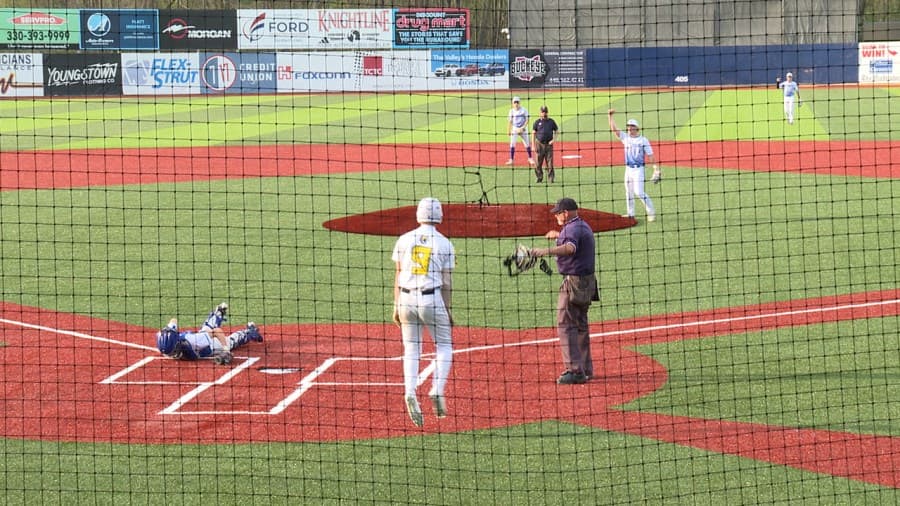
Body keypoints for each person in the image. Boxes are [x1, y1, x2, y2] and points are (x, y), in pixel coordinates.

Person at [392, 197, 456, 427]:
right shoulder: (445, 243)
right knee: (445, 345)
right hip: (432, 298)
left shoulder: (404, 239)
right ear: (439, 215)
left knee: (411, 348)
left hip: (406, 298)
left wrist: (396, 305)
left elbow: (398, 274)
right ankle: (437, 388)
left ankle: (410, 391)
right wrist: (447, 311)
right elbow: (447, 283)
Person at [534, 198, 599, 385]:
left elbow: (570, 248)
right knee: (580, 324)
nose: (556, 215)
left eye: (558, 212)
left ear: (566, 212)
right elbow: (573, 240)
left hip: (574, 282)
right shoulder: (581, 225)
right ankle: (585, 369)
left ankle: (575, 371)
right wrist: (558, 235)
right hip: (588, 282)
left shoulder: (572, 229)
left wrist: (545, 251)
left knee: (565, 323)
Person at [155, 302, 263, 365]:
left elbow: (218, 332)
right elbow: (173, 320)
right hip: (199, 336)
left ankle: (249, 332)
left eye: (172, 352)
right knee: (206, 328)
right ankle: (218, 313)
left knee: (230, 341)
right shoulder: (164, 342)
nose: (171, 355)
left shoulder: (194, 341)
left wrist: (226, 350)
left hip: (209, 347)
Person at [607, 109, 659, 222]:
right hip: (628, 169)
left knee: (639, 192)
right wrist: (610, 116)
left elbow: (650, 155)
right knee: (628, 192)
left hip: (638, 170)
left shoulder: (643, 140)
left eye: (632, 126)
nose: (630, 128)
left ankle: (651, 212)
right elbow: (614, 130)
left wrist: (656, 169)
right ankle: (631, 213)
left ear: (637, 128)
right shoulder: (625, 138)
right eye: (628, 126)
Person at [531, 105, 559, 183]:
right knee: (537, 163)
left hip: (549, 145)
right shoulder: (537, 122)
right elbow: (533, 133)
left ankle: (551, 178)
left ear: (547, 112)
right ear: (540, 113)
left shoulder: (551, 121)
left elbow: (557, 131)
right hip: (539, 144)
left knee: (550, 163)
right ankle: (539, 177)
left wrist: (554, 140)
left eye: (545, 112)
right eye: (543, 112)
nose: (544, 113)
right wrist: (533, 145)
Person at [506, 96, 535, 167]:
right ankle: (511, 159)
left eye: (517, 102)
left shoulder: (524, 110)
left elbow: (527, 120)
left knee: (527, 144)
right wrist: (508, 130)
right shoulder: (511, 111)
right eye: (515, 102)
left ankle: (530, 158)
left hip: (523, 129)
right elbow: (509, 121)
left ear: (519, 103)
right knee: (512, 144)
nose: (516, 104)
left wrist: (523, 128)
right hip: (515, 129)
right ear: (513, 103)